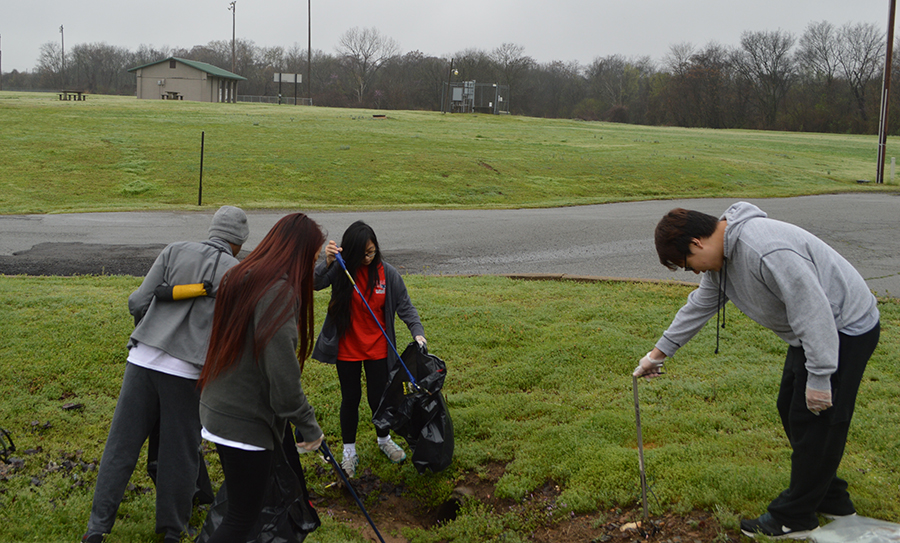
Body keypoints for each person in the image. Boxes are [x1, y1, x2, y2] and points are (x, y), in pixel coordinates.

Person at [634, 202, 880, 539]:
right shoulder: (722, 261)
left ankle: (794, 518)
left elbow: (813, 310)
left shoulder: (763, 249)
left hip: (844, 327)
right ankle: (830, 497)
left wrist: (821, 378)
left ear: (697, 243)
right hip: (811, 332)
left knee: (817, 417)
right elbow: (700, 306)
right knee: (790, 408)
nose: (693, 272)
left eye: (686, 264)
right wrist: (658, 354)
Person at [83, 205, 249, 543]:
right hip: (187, 372)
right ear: (239, 242)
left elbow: (137, 301)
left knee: (120, 447)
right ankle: (172, 531)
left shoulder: (174, 249)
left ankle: (96, 529)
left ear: (212, 229)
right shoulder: (238, 272)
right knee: (180, 452)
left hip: (143, 359)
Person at [198, 212, 325, 543]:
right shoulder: (279, 292)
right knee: (242, 517)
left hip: (218, 410)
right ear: (297, 254)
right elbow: (283, 385)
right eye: (312, 259)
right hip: (243, 422)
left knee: (244, 511)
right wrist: (310, 429)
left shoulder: (244, 274)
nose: (313, 268)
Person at [312, 220, 426, 478]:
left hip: (378, 349)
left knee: (379, 399)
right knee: (350, 399)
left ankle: (383, 440)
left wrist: (417, 333)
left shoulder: (388, 273)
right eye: (362, 253)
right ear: (349, 251)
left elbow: (406, 307)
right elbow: (314, 283)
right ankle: (349, 451)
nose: (367, 257)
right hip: (347, 349)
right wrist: (327, 262)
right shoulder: (341, 270)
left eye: (371, 251)